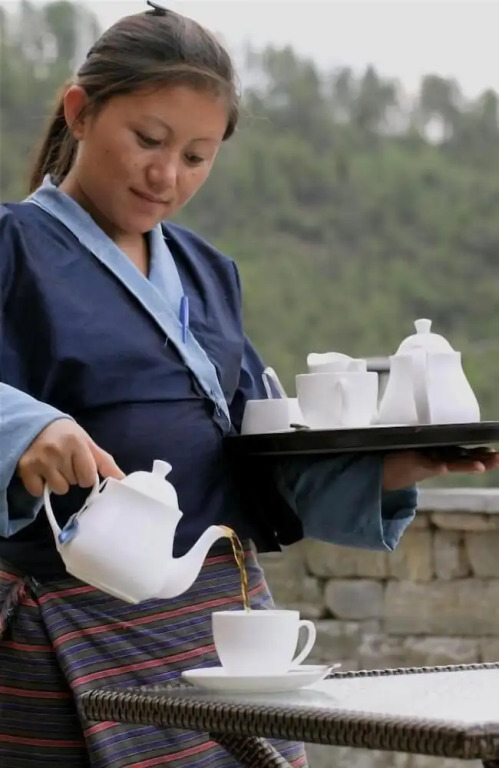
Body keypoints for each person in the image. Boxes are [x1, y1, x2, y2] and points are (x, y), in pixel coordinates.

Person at [1, 3, 497, 766]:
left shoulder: (207, 273)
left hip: (225, 629)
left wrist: (393, 468)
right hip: (72, 625)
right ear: (80, 111)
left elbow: (252, 443)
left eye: (197, 156)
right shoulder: (14, 247)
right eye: (147, 140)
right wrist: (24, 427)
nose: (167, 175)